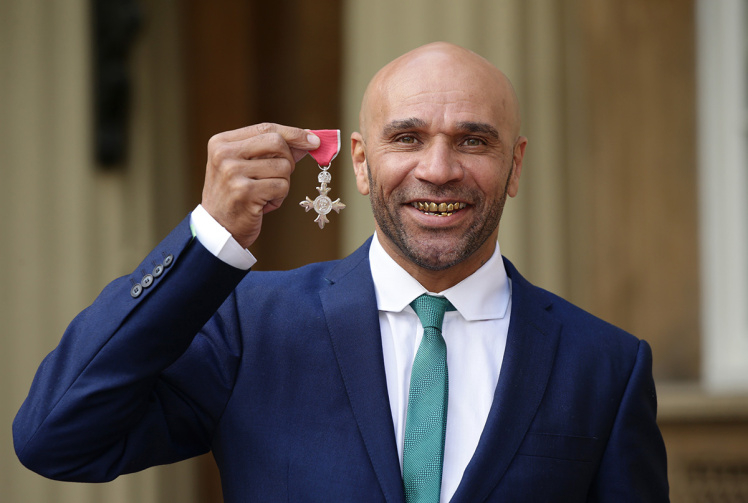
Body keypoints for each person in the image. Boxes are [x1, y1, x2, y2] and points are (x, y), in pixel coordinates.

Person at [14, 42, 669, 502]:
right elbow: (56, 435)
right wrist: (208, 239)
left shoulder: (606, 368)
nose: (438, 168)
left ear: (516, 165)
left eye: (473, 140)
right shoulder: (251, 327)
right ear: (358, 161)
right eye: (406, 138)